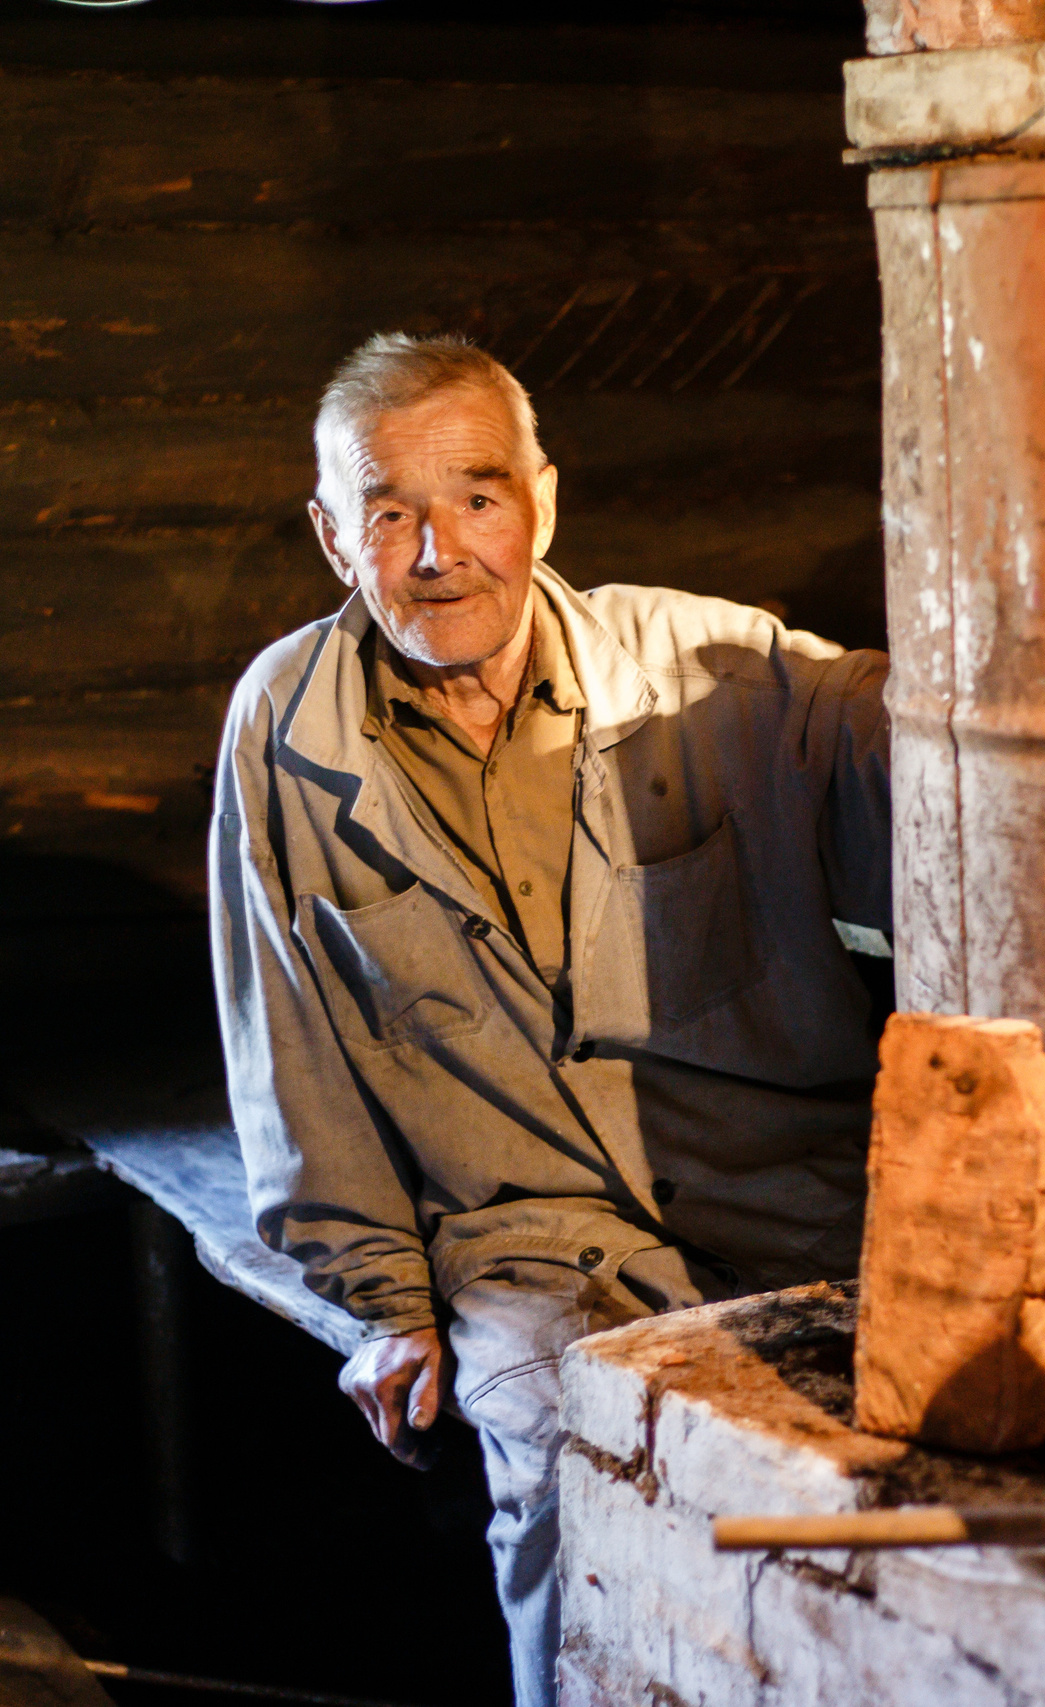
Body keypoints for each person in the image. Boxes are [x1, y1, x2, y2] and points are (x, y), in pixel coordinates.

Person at [209, 333, 891, 1707]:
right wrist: (381, 1307)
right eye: (386, 512)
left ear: (544, 502)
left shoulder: (719, 667)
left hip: (792, 1201)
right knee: (566, 1499)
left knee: (869, 1532)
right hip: (532, 1236)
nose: (436, 553)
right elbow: (287, 1044)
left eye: (477, 497)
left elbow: (914, 741)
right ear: (332, 537)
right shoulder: (285, 727)